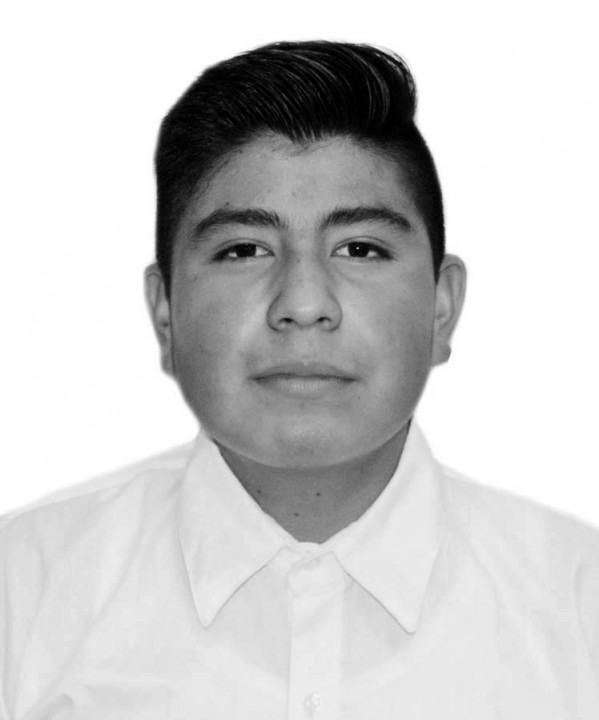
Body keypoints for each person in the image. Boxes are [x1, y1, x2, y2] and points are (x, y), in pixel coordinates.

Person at [1, 40, 598, 720]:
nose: (305, 303)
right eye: (244, 250)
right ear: (165, 310)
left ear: (441, 305)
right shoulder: (22, 594)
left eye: (361, 248)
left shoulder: (578, 605)